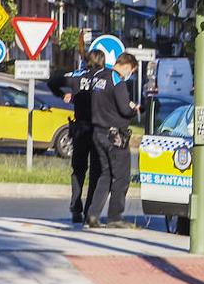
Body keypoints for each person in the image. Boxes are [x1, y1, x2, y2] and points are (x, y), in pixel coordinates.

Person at [48, 49, 106, 223]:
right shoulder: (105, 78)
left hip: (79, 128)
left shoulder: (77, 77)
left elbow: (53, 82)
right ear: (102, 61)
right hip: (98, 129)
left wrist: (64, 95)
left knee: (78, 170)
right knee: (96, 171)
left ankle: (75, 207)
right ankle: (90, 210)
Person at [85, 53, 139, 229]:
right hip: (114, 136)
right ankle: (115, 217)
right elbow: (124, 109)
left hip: (97, 132)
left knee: (105, 175)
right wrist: (133, 109)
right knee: (122, 177)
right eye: (131, 70)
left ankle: (93, 215)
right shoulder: (118, 81)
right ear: (126, 66)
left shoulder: (99, 77)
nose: (130, 74)